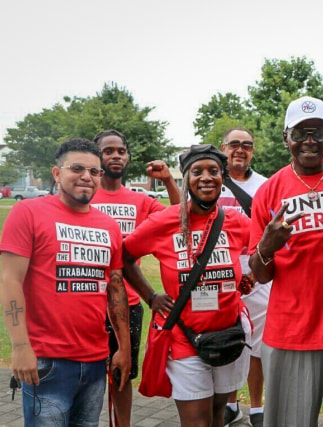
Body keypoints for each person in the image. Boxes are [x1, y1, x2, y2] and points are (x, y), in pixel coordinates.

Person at [248, 96, 323, 427]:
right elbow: (259, 275)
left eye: (319, 132)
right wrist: (266, 248)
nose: (310, 141)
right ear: (286, 138)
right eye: (300, 133)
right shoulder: (269, 192)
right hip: (291, 332)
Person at [0, 138, 130, 425]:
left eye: (95, 172)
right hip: (46, 361)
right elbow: (10, 281)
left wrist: (123, 348)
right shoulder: (28, 212)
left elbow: (116, 290)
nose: (87, 176)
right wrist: (20, 346)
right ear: (57, 174)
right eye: (77, 168)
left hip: (96, 360)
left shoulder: (108, 226)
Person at [122, 144, 253, 426]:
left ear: (222, 178)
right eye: (197, 171)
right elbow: (125, 256)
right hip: (185, 338)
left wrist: (247, 277)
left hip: (229, 335)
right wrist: (151, 296)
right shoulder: (164, 221)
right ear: (187, 179)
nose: (206, 177)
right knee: (197, 422)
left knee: (220, 415)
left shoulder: (237, 221)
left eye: (214, 171)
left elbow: (260, 256)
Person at [90, 129, 180, 426]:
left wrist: (168, 180)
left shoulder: (139, 201)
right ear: (98, 155)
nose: (116, 156)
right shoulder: (85, 195)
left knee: (121, 375)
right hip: (85, 302)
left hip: (127, 303)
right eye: (108, 151)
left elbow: (180, 216)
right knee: (86, 374)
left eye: (121, 151)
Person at [217, 127, 269, 427]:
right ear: (223, 147)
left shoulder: (266, 185)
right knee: (228, 338)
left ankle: (257, 407)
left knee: (257, 345)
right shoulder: (209, 181)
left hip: (256, 272)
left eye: (246, 144)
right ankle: (230, 404)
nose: (240, 149)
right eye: (234, 144)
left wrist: (257, 269)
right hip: (221, 272)